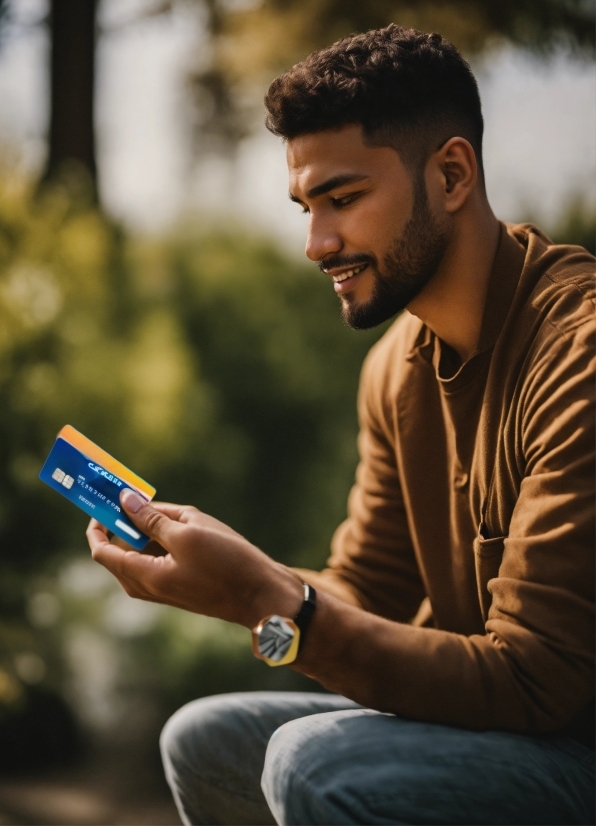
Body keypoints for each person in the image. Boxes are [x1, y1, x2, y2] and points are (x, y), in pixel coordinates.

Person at [87, 24, 595, 826]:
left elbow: (538, 680)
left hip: (574, 742)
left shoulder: (579, 352)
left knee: (312, 762)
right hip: (505, 728)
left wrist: (269, 597)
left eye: (344, 199)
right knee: (205, 740)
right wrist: (234, 584)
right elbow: (364, 595)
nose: (316, 243)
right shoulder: (395, 371)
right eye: (305, 206)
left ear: (453, 173)